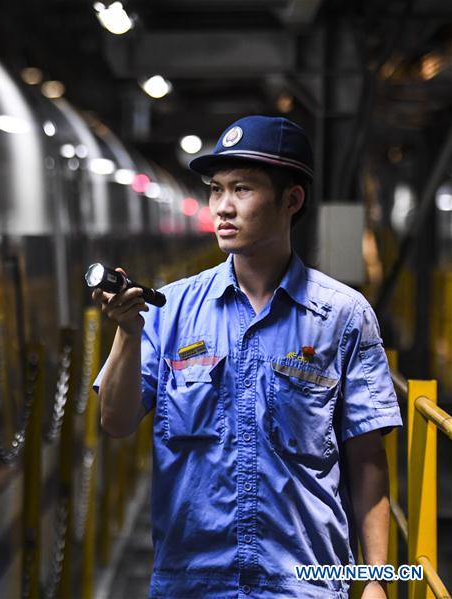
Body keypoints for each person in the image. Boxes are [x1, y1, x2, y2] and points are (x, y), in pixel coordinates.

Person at [92, 115, 402, 598]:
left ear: (291, 200)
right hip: (192, 583)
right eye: (216, 190)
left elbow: (367, 461)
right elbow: (114, 421)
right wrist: (128, 334)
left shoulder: (343, 317)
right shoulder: (170, 311)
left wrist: (378, 580)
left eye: (242, 190)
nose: (222, 207)